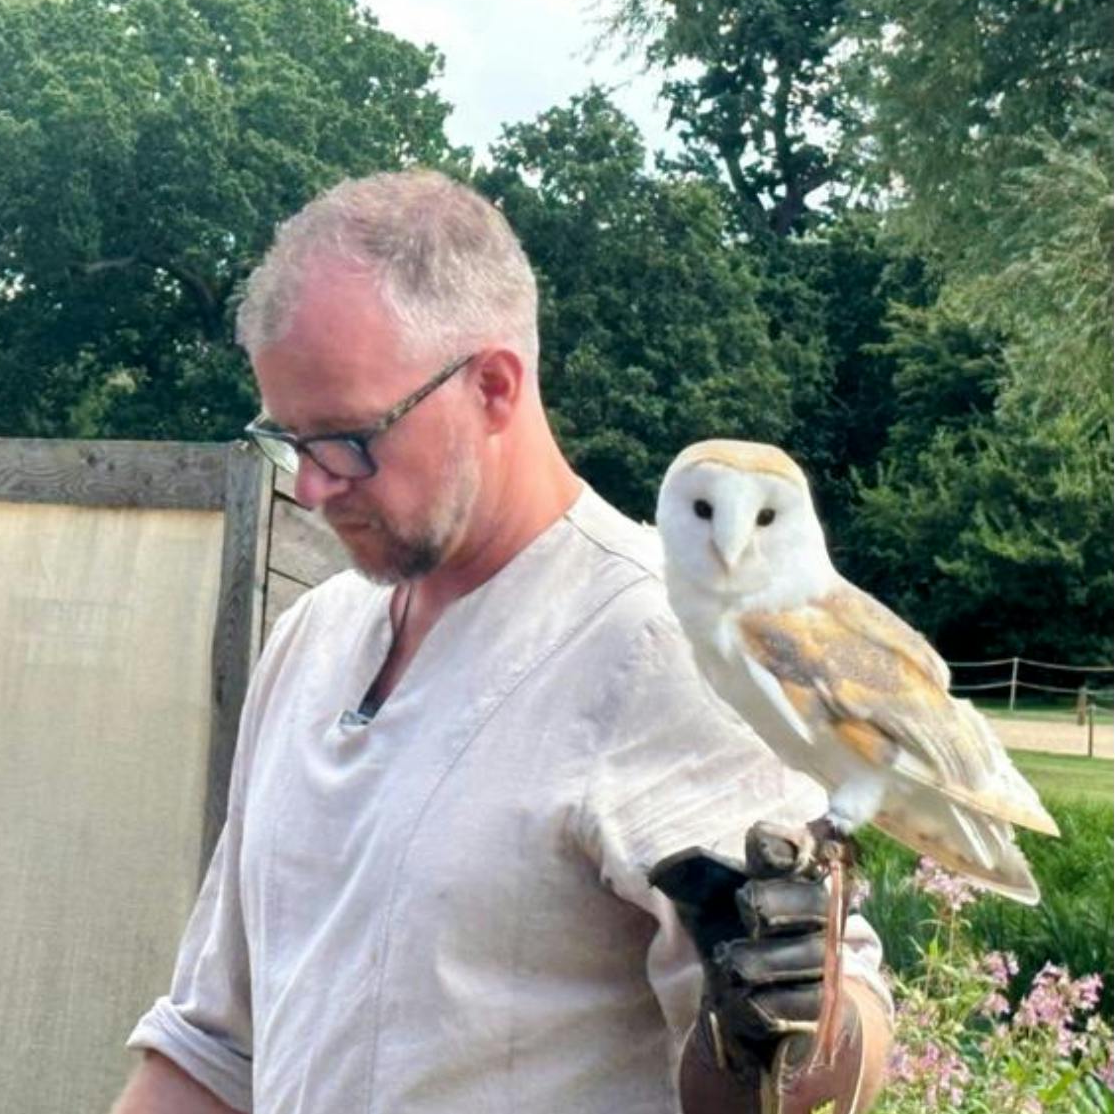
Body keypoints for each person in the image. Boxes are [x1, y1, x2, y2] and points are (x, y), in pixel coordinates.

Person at [112, 170, 892, 1114]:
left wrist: (806, 1022)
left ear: (492, 386)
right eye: (291, 438)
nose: (311, 487)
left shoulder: (668, 644)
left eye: (347, 437)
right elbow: (210, 1052)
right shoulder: (311, 637)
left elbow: (830, 1047)